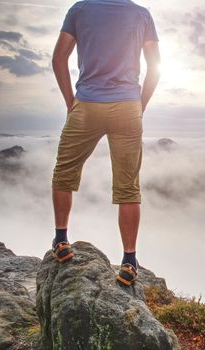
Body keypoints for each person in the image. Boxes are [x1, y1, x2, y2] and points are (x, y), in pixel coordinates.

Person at [50, 0, 160, 286]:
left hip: (86, 104)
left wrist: (69, 102)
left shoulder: (80, 10)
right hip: (127, 107)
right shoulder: (141, 14)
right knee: (128, 187)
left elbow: (58, 58)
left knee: (64, 171)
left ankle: (61, 239)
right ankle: (129, 261)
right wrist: (139, 105)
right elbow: (155, 68)